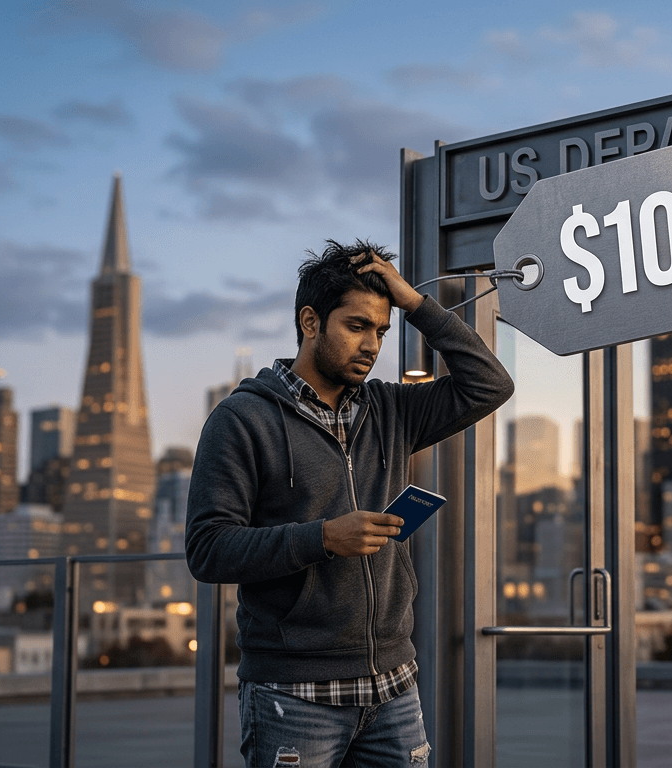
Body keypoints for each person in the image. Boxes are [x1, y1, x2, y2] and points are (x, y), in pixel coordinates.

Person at [185, 240, 513, 768]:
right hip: (295, 694)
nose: (372, 345)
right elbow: (208, 550)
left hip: (394, 686)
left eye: (381, 330)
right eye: (357, 326)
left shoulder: (390, 409)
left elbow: (490, 385)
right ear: (310, 322)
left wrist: (416, 305)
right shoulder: (242, 420)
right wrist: (323, 538)